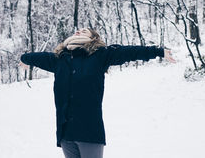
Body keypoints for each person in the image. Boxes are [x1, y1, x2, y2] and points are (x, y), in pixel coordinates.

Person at [19, 28, 175, 158]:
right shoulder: (60, 59)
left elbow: (129, 52)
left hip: (89, 131)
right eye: (77, 30)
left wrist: (159, 52)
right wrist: (24, 58)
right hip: (66, 132)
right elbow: (35, 57)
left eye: (85, 31)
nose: (79, 31)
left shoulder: (100, 55)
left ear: (93, 38)